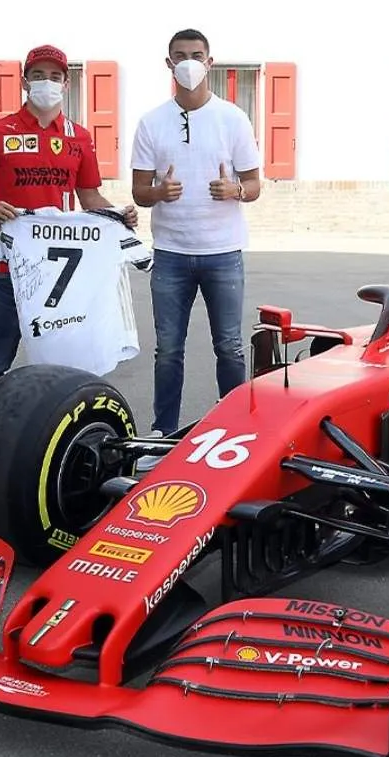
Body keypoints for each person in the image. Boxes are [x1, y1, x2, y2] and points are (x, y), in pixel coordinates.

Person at [0, 44, 138, 408]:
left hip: (64, 277)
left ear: (66, 85)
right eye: (38, 75)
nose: (46, 83)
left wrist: (119, 216)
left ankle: (55, 437)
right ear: (25, 82)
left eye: (54, 76)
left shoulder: (79, 136)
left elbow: (90, 198)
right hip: (13, 270)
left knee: (66, 366)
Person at [130, 28, 262, 460]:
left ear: (210, 62)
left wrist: (235, 191)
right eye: (179, 56)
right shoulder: (151, 122)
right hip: (170, 253)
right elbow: (138, 192)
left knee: (230, 346)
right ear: (169, 64)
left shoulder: (233, 118)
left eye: (196, 55)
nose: (188, 62)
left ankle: (237, 430)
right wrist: (157, 194)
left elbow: (254, 184)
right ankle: (162, 432)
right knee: (168, 349)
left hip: (223, 251)